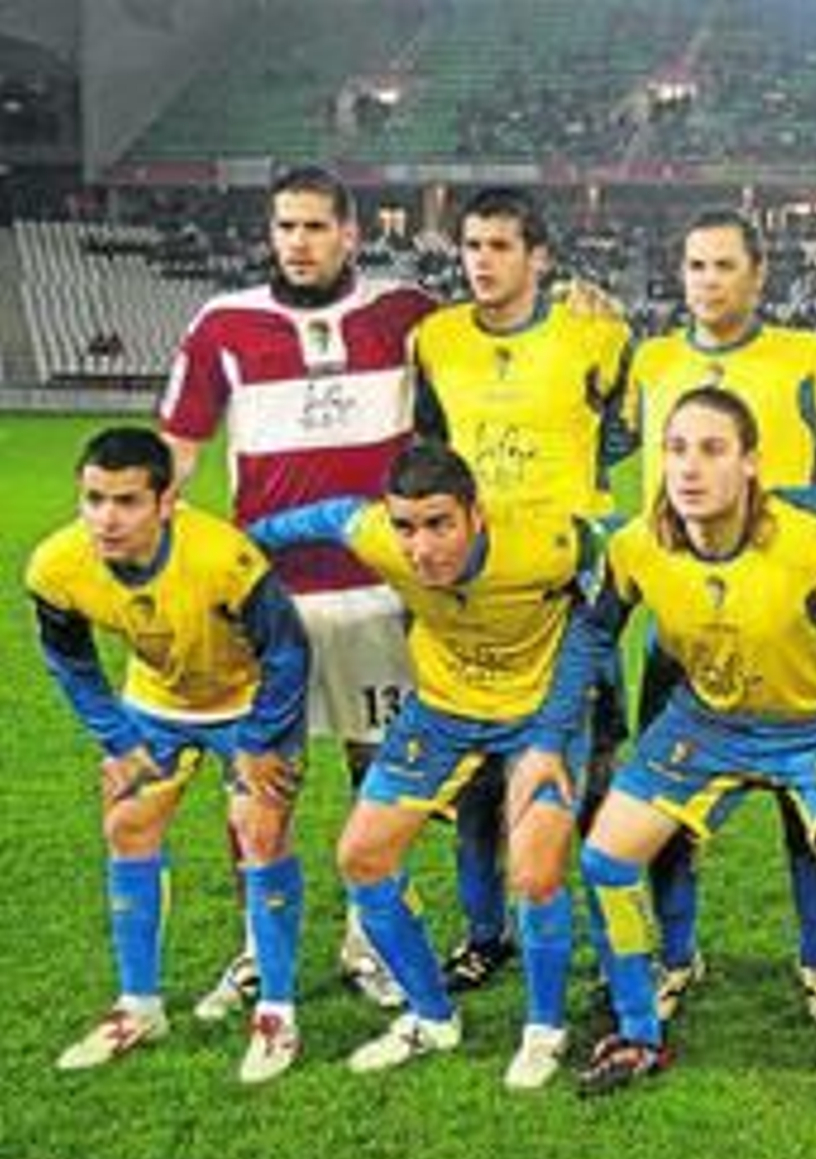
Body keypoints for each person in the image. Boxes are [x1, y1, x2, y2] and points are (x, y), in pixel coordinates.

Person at [573, 386, 816, 1123]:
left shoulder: (812, 542)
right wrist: (548, 737)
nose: (690, 468)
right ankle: (636, 1032)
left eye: (713, 450)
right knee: (604, 861)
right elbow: (592, 633)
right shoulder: (637, 544)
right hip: (707, 721)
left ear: (751, 463)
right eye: (677, 449)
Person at [159, 164, 438, 1016]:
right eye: (285, 227)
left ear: (352, 232)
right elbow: (175, 453)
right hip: (270, 601)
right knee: (260, 778)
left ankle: (370, 940)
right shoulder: (225, 325)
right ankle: (257, 946)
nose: (299, 242)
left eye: (316, 226)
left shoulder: (407, 316)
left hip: (378, 597)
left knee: (376, 771)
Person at [246, 443, 597, 1089]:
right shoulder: (374, 533)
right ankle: (432, 1017)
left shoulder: (547, 543)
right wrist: (238, 550)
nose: (421, 547)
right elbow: (313, 521)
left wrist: (553, 731)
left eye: (440, 524)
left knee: (534, 871)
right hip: (441, 712)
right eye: (406, 526)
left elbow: (604, 594)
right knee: (361, 856)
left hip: (539, 719)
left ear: (477, 516)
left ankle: (545, 1030)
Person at [625, 208, 816, 1029]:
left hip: (789, 620)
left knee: (811, 820)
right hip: (683, 631)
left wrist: (793, 510)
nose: (707, 280)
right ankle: (677, 955)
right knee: (671, 815)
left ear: (759, 275)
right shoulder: (650, 362)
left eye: (725, 265)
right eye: (694, 264)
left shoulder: (813, 360)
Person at [27, 427, 310, 1084]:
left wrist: (263, 742)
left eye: (126, 502)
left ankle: (276, 1012)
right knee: (126, 826)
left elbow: (288, 652)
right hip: (156, 705)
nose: (106, 518)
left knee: (259, 833)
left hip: (247, 703)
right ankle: (139, 1006)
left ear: (166, 502)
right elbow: (69, 660)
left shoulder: (224, 557)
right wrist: (119, 743)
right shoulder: (56, 565)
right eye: (94, 499)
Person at [411, 186, 632, 995]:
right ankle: (484, 934)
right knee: (475, 783)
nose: (483, 261)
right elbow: (428, 448)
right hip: (474, 594)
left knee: (596, 780)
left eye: (501, 246)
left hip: (570, 593)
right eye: (471, 245)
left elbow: (625, 432)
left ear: (539, 257)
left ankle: (617, 952)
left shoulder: (596, 336)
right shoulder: (433, 341)